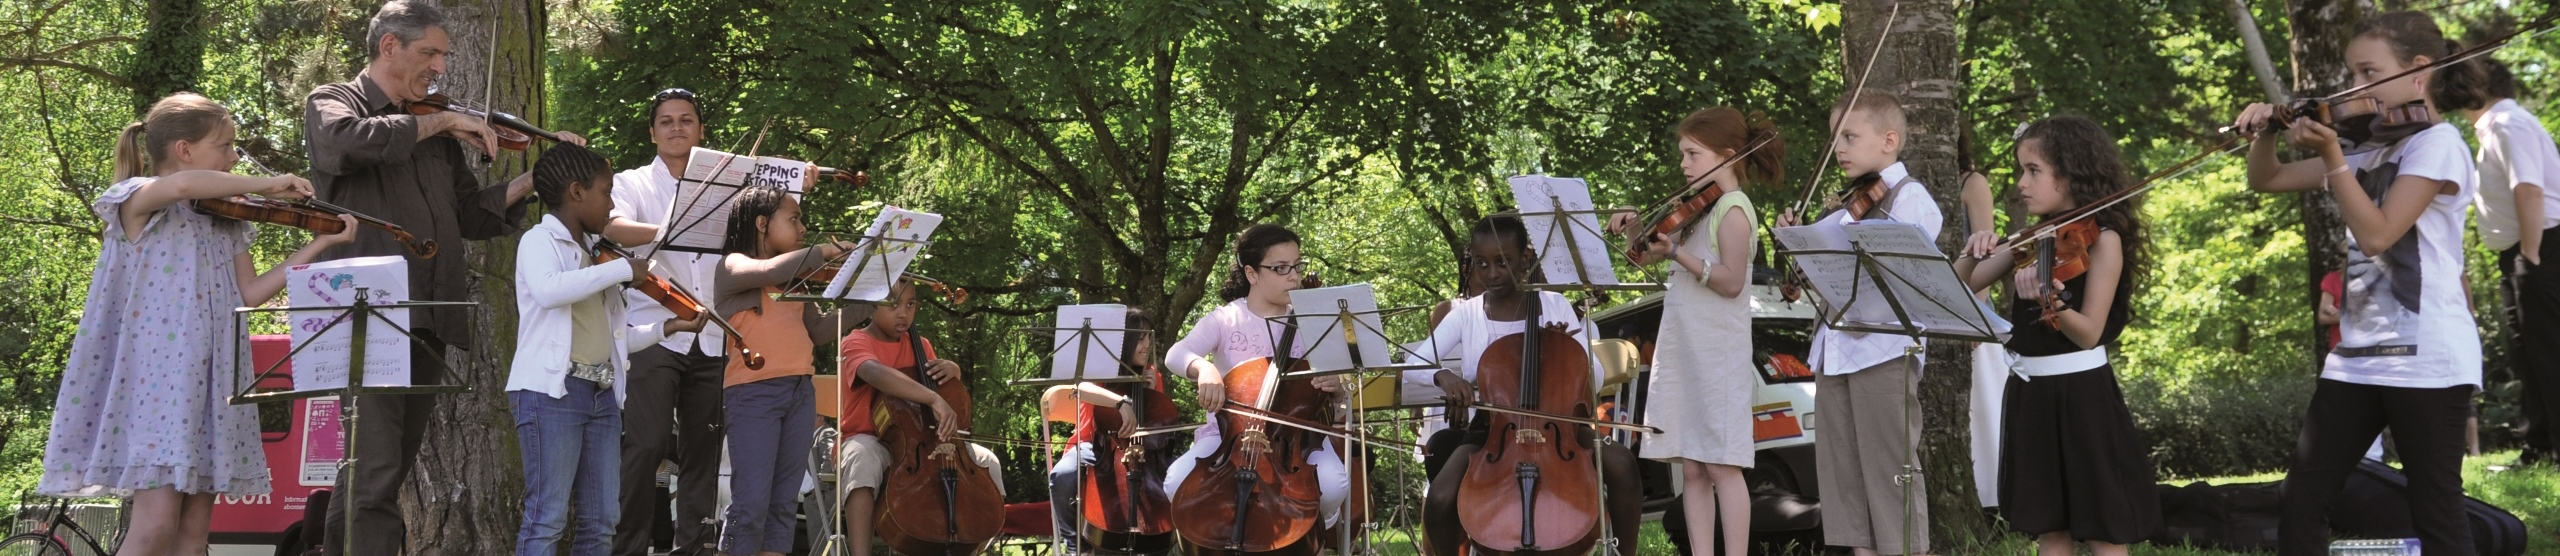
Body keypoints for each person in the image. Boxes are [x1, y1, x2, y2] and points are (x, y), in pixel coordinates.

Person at [302, 2, 588, 552]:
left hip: (428, 309)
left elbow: (471, 214)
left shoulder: (430, 131)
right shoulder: (334, 100)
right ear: (390, 46)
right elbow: (344, 143)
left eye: (443, 56)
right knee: (375, 465)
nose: (438, 67)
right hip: (366, 310)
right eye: (429, 53)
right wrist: (444, 120)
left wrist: (535, 178)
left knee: (381, 466)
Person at [38, 92, 357, 556]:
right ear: (185, 150)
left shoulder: (224, 219)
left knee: (192, 537)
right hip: (160, 384)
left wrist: (318, 245)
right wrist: (270, 183)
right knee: (156, 526)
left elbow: (250, 293)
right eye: (225, 146)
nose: (233, 156)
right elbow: (184, 187)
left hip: (215, 382)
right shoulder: (137, 200)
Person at [2230, 11, 2483, 555]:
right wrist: (2266, 131)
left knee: (2436, 508)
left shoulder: (2436, 145)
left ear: (2420, 72)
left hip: (2427, 359)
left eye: (2368, 72)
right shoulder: (2367, 146)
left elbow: (2378, 234)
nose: (2353, 89)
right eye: (2350, 74)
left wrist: (2332, 156)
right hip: (2358, 355)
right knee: (2302, 497)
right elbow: (2267, 178)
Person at [1956, 115, 2162, 555]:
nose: (2021, 183)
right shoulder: (2030, 238)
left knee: (2103, 525)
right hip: (2032, 392)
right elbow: (1959, 288)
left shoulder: (2103, 239)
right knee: (2049, 526)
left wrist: (2053, 303)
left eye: (2033, 171)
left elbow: (2088, 334)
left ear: (2071, 175)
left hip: (2082, 395)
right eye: (2021, 171)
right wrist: (1972, 249)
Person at [505, 143, 708, 556]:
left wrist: (667, 326)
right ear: (577, 192)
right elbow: (548, 291)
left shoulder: (595, 253)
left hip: (601, 396)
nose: (612, 203)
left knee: (601, 523)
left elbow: (614, 340)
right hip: (552, 394)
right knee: (547, 518)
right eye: (606, 192)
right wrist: (622, 270)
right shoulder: (539, 239)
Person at [1409, 216, 1644, 556]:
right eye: (1482, 263)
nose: (1491, 273)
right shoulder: (1467, 314)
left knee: (1622, 464)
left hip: (1558, 423)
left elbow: (1595, 374)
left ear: (1525, 259)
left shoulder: (1554, 303)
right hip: (1493, 429)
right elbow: (1410, 365)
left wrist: (1565, 350)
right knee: (1441, 498)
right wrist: (1443, 375)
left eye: (1503, 262)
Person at [1778, 88, 1944, 556]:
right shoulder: (1846, 206)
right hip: (1833, 351)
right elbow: (1809, 285)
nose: (1839, 149)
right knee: (1843, 479)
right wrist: (1800, 244)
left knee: (1890, 472)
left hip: (1883, 352)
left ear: (1889, 140)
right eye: (1835, 138)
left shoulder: (1912, 200)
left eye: (1849, 136)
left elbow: (1904, 281)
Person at [1614, 106, 1785, 556]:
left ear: (1727, 156)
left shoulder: (1733, 208)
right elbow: (1644, 255)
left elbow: (1730, 282)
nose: (1684, 164)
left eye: (1692, 154)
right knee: (1692, 469)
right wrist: (1633, 226)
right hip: (1686, 352)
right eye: (1683, 154)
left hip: (1717, 356)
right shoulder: (1696, 209)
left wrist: (1677, 255)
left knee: (1723, 467)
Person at [596, 87, 732, 556]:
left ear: (700, 129)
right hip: (654, 327)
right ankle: (626, 547)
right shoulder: (632, 182)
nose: (677, 127)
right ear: (653, 132)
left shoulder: (726, 187)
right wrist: (673, 229)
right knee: (645, 444)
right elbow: (611, 227)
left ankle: (692, 548)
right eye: (667, 121)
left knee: (704, 451)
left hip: (714, 333)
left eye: (687, 119)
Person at [1161, 223, 1352, 537]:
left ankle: (1313, 532)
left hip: (1294, 440)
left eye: (1297, 266)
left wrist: (1335, 389)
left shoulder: (1312, 323)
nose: (1294, 276)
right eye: (1281, 268)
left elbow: (1341, 397)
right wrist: (1204, 368)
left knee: (1333, 485)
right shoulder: (1226, 319)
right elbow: (1175, 354)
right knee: (1175, 482)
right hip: (1229, 436)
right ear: (1252, 273)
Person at [709, 186, 856, 556]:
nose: (803, 227)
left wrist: (867, 302)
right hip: (753, 393)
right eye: (794, 219)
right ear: (762, 224)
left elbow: (819, 331)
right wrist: (823, 252)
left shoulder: (796, 280)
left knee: (783, 503)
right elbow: (770, 269)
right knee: (752, 502)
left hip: (799, 392)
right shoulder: (732, 266)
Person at [2438, 54, 2560, 468]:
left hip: (2541, 246)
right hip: (2523, 251)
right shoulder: (2494, 128)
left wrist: (2530, 254)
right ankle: (2539, 447)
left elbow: (2528, 189)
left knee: (2548, 351)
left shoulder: (2508, 123)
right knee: (2527, 353)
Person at [1045, 308, 1177, 553]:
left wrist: (1152, 392)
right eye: (1140, 339)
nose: (1147, 345)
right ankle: (1076, 544)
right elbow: (1081, 388)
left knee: (1182, 477)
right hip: (1095, 445)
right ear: (1125, 341)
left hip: (1144, 450)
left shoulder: (1152, 374)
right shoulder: (1100, 371)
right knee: (1062, 476)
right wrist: (1120, 402)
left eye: (1149, 337)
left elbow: (1159, 423)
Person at [1956, 126, 2012, 511]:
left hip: (1970, 306)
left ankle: (1994, 497)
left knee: (1985, 406)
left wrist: (1971, 315)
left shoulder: (1972, 182)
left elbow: (1985, 244)